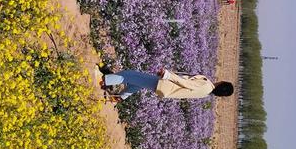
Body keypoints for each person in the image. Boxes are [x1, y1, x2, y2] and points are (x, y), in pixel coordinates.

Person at [99, 66, 234, 102]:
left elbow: (187, 84)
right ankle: (119, 97)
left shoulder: (206, 85)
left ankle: (103, 81)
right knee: (139, 83)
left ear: (221, 83)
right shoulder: (206, 93)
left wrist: (168, 75)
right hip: (166, 90)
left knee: (128, 75)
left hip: (164, 84)